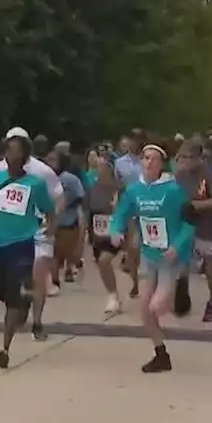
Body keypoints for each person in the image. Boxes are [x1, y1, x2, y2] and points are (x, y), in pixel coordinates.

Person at [110, 142, 194, 373]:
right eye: (145, 158)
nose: (148, 162)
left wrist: (177, 246)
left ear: (161, 164)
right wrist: (116, 230)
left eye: (153, 159)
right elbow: (120, 214)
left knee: (158, 306)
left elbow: (189, 224)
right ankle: (161, 354)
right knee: (145, 312)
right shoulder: (134, 191)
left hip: (170, 257)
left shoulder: (173, 190)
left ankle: (179, 288)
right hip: (149, 255)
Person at [0, 135, 55, 369]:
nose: (12, 155)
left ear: (25, 155)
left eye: (17, 151)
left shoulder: (36, 183)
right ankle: (23, 302)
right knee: (4, 294)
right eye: (8, 151)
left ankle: (5, 347)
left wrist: (50, 226)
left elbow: (49, 210)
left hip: (22, 243)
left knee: (12, 298)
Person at [0, 127, 64, 340]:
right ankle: (19, 302)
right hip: (9, 233)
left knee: (38, 276)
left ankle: (38, 322)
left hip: (38, 230)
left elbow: (59, 197)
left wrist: (52, 223)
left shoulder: (42, 171)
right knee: (10, 280)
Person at [174, 138, 212, 322]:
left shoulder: (210, 176)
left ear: (198, 158)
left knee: (211, 264)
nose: (183, 162)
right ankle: (182, 294)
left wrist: (195, 205)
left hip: (208, 225)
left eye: (187, 158)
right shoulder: (179, 176)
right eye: (181, 157)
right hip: (186, 225)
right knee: (182, 261)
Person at [86, 149, 125, 314]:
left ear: (110, 168)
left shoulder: (120, 188)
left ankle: (113, 296)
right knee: (102, 265)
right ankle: (113, 293)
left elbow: (128, 210)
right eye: (97, 166)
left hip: (116, 231)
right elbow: (88, 211)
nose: (99, 169)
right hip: (98, 232)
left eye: (103, 166)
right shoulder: (92, 188)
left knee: (104, 261)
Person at [113, 129, 146, 298]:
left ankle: (148, 279)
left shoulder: (147, 160)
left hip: (147, 205)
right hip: (128, 207)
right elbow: (117, 186)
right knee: (132, 248)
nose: (134, 142)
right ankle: (135, 283)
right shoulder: (120, 163)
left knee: (142, 247)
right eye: (131, 139)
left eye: (137, 139)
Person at [48, 150, 86, 285]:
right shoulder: (45, 178)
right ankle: (54, 279)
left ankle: (69, 267)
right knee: (53, 250)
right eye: (49, 160)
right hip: (51, 220)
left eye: (54, 160)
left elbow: (80, 197)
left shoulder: (71, 179)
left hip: (68, 219)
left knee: (68, 248)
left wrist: (67, 204)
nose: (50, 163)